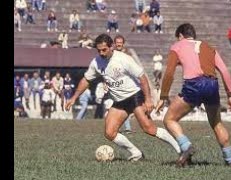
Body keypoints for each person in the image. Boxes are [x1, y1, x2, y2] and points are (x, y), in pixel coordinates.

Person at [65, 33, 181, 161]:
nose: (102, 53)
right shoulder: (96, 62)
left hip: (135, 96)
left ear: (111, 47)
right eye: (99, 51)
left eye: (104, 50)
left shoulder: (123, 59)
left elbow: (142, 77)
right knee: (109, 133)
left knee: (149, 128)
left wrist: (148, 99)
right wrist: (74, 97)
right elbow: (86, 79)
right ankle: (136, 153)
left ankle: (181, 150)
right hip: (119, 101)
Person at [155, 23, 231, 167]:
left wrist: (163, 96)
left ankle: (186, 147)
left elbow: (169, 74)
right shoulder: (209, 47)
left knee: (169, 119)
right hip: (212, 84)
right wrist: (230, 95)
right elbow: (224, 70)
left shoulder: (177, 46)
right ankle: (230, 160)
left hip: (194, 85)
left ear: (180, 36)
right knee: (216, 123)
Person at [114, 34, 135, 133]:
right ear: (114, 44)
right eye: (117, 43)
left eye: (120, 43)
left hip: (125, 84)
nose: (119, 44)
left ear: (123, 44)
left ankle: (126, 128)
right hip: (115, 84)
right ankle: (122, 127)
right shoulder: (112, 55)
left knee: (122, 107)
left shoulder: (127, 55)